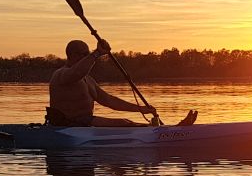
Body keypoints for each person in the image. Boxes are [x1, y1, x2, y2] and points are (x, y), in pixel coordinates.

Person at [46, 39, 197, 127]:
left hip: (84, 124)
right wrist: (97, 53)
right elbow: (77, 72)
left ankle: (168, 129)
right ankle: (166, 131)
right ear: (72, 55)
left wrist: (140, 109)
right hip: (69, 125)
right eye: (85, 54)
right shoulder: (61, 75)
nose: (88, 57)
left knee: (125, 122)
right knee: (124, 123)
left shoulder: (88, 80)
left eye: (89, 53)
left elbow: (108, 100)